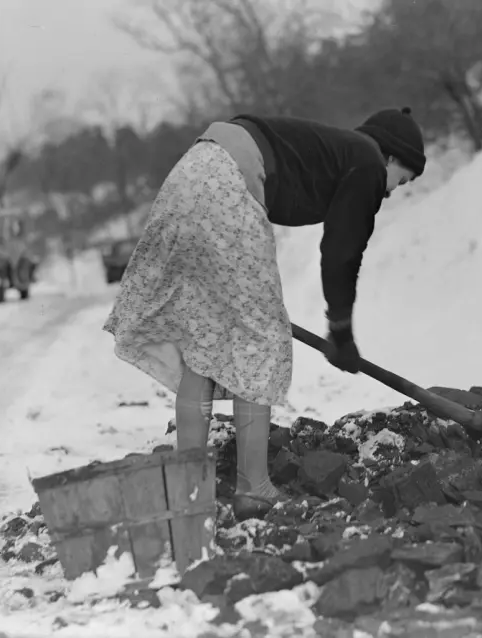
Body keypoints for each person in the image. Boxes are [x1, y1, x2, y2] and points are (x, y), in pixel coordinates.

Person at [103, 107, 426, 520]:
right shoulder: (366, 161)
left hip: (194, 170)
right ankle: (253, 489)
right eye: (403, 179)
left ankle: (190, 494)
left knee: (207, 340)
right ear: (392, 158)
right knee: (260, 339)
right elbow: (343, 253)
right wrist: (341, 330)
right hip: (229, 183)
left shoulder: (338, 151)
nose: (394, 190)